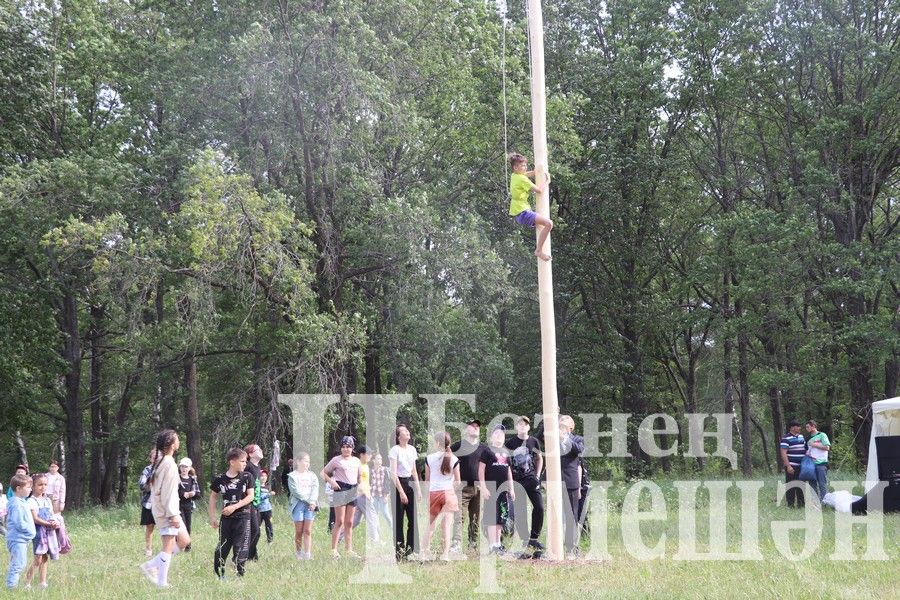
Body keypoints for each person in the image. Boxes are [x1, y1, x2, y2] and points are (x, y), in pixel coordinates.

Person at [140, 429, 191, 588]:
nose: (179, 441)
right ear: (171, 443)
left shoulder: (164, 461)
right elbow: (167, 491)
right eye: (177, 438)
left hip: (169, 509)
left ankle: (151, 565)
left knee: (184, 540)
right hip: (167, 511)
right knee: (168, 546)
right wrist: (172, 515)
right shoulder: (168, 463)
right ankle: (162, 582)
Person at [450, 419, 495, 554]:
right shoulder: (458, 446)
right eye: (472, 426)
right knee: (459, 517)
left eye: (477, 426)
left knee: (475, 517)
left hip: (479, 488)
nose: (475, 428)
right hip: (462, 487)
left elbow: (494, 465)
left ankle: (473, 544)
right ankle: (456, 544)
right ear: (466, 430)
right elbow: (447, 458)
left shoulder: (484, 448)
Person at [209, 448, 255, 579]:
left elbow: (250, 496)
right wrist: (212, 517)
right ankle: (219, 576)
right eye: (242, 461)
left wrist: (235, 506)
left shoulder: (247, 477)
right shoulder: (220, 479)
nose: (245, 464)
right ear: (232, 462)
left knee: (240, 548)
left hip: (243, 517)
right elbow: (213, 497)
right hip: (226, 519)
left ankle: (239, 577)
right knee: (222, 547)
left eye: (246, 461)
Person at [504, 415, 544, 552]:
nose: (522, 426)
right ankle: (524, 539)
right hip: (516, 480)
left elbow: (539, 458)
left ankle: (534, 539)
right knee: (520, 511)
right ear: (516, 427)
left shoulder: (534, 441)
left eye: (525, 424)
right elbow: (506, 463)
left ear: (528, 427)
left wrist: (538, 475)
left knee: (539, 507)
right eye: (519, 424)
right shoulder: (510, 443)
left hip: (531, 478)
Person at [321, 436, 361, 558]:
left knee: (349, 522)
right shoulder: (336, 460)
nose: (345, 449)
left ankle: (348, 549)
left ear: (352, 448)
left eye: (348, 447)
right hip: (340, 489)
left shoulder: (356, 461)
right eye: (343, 447)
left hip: (352, 489)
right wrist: (332, 482)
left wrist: (359, 487)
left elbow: (359, 477)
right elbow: (323, 473)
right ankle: (333, 549)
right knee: (340, 521)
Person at [508, 152, 553, 261]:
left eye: (525, 165)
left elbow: (526, 174)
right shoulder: (522, 179)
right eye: (523, 166)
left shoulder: (515, 176)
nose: (525, 167)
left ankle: (538, 249)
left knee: (545, 224)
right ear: (515, 167)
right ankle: (538, 250)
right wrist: (547, 181)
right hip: (523, 213)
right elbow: (539, 190)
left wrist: (536, 172)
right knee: (549, 224)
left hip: (519, 213)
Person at [423, 432, 460, 561]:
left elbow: (427, 480)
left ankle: (425, 552)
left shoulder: (429, 458)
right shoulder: (454, 459)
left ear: (438, 443)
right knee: (446, 526)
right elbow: (458, 482)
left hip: (434, 493)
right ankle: (445, 554)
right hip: (448, 493)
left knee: (430, 525)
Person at [481, 425, 515, 555]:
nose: (499, 436)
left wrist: (511, 488)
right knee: (491, 517)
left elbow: (509, 471)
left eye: (502, 434)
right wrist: (483, 487)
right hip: (490, 488)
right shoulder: (487, 451)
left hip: (503, 490)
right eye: (496, 434)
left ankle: (498, 544)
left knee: (501, 516)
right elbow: (481, 470)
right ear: (491, 437)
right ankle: (492, 545)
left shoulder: (506, 453)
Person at [389, 424, 422, 560]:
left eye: (407, 430)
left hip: (410, 483)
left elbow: (414, 471)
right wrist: (401, 492)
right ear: (398, 436)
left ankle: (412, 550)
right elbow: (393, 473)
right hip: (398, 484)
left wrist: (418, 489)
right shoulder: (395, 450)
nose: (407, 432)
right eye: (404, 431)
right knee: (399, 520)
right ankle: (399, 552)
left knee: (413, 519)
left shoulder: (412, 449)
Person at [23, 474, 60, 589]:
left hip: (49, 531)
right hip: (38, 531)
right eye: (40, 485)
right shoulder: (31, 501)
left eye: (45, 484)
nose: (43, 487)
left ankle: (42, 582)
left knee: (45, 557)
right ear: (33, 486)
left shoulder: (47, 500)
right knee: (38, 557)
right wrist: (49, 524)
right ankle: (27, 582)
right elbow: (35, 519)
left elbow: (51, 514)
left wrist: (54, 521)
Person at [559, 415, 584, 558]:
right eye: (559, 425)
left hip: (571, 483)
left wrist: (565, 438)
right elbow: (539, 437)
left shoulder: (577, 439)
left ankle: (572, 547)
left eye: (564, 425)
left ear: (571, 428)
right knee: (557, 515)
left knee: (571, 516)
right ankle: (556, 546)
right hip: (556, 483)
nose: (561, 427)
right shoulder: (552, 440)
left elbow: (578, 450)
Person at [5, 473, 35, 589]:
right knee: (18, 564)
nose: (30, 489)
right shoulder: (16, 504)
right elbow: (19, 523)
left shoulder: (21, 502)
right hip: (18, 539)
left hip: (21, 539)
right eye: (28, 487)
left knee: (19, 563)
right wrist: (29, 531)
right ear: (18, 488)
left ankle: (12, 585)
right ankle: (11, 587)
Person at [287, 453, 318, 560]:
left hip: (310, 506)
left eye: (308, 461)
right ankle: (298, 553)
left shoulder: (312, 475)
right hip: (298, 505)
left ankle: (308, 554)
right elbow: (296, 492)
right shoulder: (292, 476)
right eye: (305, 461)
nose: (307, 463)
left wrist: (313, 501)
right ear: (298, 462)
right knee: (299, 531)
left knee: (308, 530)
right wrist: (309, 501)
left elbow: (315, 489)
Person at [351, 446, 379, 544]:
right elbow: (359, 483)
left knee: (356, 521)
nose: (370, 456)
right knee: (373, 518)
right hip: (362, 495)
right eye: (368, 454)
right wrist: (368, 495)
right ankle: (375, 541)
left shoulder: (366, 466)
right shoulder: (358, 466)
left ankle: (339, 536)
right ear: (362, 455)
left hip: (364, 495)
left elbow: (366, 482)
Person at [779, 420, 807, 508]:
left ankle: (801, 504)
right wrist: (788, 466)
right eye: (798, 426)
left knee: (801, 485)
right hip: (792, 466)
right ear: (792, 428)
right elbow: (783, 453)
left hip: (801, 466)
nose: (799, 428)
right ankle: (790, 505)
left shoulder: (801, 437)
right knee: (791, 485)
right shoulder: (786, 438)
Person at [243, 443, 264, 561]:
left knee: (256, 531)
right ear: (250, 454)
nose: (260, 450)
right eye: (257, 449)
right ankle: (246, 556)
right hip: (249, 503)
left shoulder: (258, 466)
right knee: (254, 530)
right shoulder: (248, 467)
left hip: (257, 503)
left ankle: (251, 555)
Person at [177, 458, 200, 550]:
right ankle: (178, 545)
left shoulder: (193, 479)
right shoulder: (177, 478)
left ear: (189, 468)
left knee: (188, 526)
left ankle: (188, 546)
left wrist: (193, 494)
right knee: (181, 526)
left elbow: (198, 493)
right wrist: (183, 494)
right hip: (178, 505)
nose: (184, 469)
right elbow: (173, 492)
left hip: (188, 506)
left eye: (186, 467)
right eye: (182, 466)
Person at [139, 448, 158, 557]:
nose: (155, 459)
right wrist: (151, 484)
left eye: (157, 457)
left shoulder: (165, 468)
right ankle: (148, 549)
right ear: (150, 459)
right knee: (149, 527)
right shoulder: (147, 470)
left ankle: (167, 549)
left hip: (163, 504)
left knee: (165, 528)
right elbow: (142, 485)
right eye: (153, 457)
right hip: (149, 503)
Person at [806, 420, 831, 502]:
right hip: (810, 464)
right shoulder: (807, 438)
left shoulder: (822, 435)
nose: (806, 429)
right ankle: (816, 502)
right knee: (812, 484)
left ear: (813, 426)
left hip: (821, 464)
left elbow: (827, 447)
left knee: (822, 484)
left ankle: (824, 502)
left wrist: (814, 444)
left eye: (808, 427)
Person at [369, 453, 393, 530]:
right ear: (373, 460)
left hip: (383, 495)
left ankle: (393, 530)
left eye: (381, 459)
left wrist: (386, 496)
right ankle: (377, 535)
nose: (380, 460)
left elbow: (387, 483)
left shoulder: (385, 470)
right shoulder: (371, 471)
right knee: (375, 515)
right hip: (373, 496)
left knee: (386, 514)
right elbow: (369, 483)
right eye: (378, 459)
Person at [258, 470, 275, 544]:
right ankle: (254, 541)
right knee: (257, 527)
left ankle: (270, 541)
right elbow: (258, 498)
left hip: (268, 510)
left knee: (269, 526)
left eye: (265, 476)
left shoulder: (268, 486)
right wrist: (268, 495)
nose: (263, 477)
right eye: (262, 476)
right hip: (259, 510)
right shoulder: (256, 487)